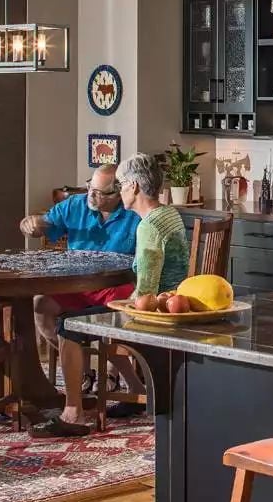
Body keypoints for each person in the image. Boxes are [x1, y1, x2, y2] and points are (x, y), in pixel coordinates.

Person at [32, 153, 188, 436]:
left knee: (69, 325)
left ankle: (74, 414)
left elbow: (145, 294)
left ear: (134, 188)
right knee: (60, 312)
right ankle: (133, 390)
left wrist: (117, 306)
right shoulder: (167, 214)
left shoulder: (148, 226)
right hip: (169, 305)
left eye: (122, 184)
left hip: (152, 314)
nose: (121, 188)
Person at [19, 164, 139, 360]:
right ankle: (80, 368)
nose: (90, 194)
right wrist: (30, 224)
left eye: (98, 192)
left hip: (115, 288)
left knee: (121, 316)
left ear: (117, 194)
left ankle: (116, 376)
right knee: (40, 305)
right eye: (90, 186)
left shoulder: (133, 214)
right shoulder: (75, 204)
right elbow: (42, 225)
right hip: (76, 285)